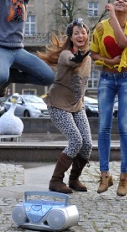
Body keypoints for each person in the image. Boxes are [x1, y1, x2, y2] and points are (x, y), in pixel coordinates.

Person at [89, 0, 127, 196]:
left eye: (125, 1)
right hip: (107, 79)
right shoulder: (101, 28)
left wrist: (113, 16)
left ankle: (124, 177)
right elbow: (93, 53)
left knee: (124, 126)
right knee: (103, 126)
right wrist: (107, 61)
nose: (120, 1)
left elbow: (122, 42)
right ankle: (104, 175)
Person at [38, 18, 92, 194]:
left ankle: (74, 179)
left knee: (87, 144)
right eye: (76, 33)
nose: (80, 35)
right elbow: (72, 60)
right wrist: (78, 57)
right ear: (71, 37)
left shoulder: (89, 57)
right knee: (76, 140)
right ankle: (55, 181)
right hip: (58, 105)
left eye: (83, 32)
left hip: (77, 106)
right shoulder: (65, 55)